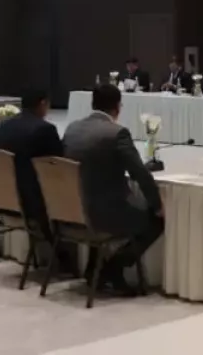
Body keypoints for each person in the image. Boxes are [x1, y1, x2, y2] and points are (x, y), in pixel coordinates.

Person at [62, 84, 164, 295]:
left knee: (93, 195)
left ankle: (94, 268)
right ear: (118, 107)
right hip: (101, 214)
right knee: (155, 222)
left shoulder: (72, 128)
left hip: (71, 211)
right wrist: (157, 205)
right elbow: (139, 173)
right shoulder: (117, 133)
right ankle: (112, 269)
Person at [0, 87, 63, 232]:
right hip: (35, 200)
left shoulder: (5, 125)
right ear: (43, 103)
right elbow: (58, 163)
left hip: (6, 194)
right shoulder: (45, 129)